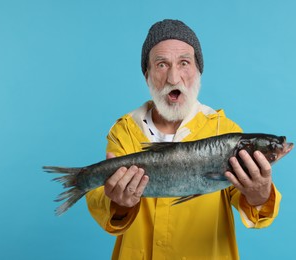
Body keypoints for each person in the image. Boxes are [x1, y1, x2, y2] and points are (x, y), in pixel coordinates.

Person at [86, 19, 281, 259]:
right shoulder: (124, 130)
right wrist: (119, 204)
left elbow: (248, 202)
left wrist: (260, 195)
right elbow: (98, 197)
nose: (173, 78)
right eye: (161, 65)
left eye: (184, 63)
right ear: (147, 74)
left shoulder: (224, 129)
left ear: (199, 71)